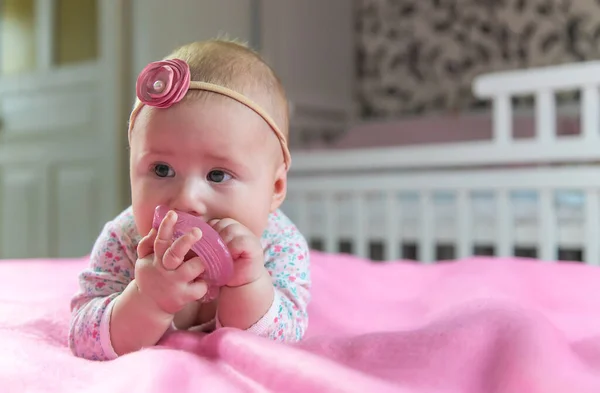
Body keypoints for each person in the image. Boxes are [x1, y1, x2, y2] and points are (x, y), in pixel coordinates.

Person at [68, 39, 311, 361]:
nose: (186, 200)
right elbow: (84, 339)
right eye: (162, 169)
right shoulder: (125, 239)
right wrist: (146, 300)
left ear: (276, 188)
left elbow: (286, 339)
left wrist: (248, 286)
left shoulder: (278, 244)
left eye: (218, 175)